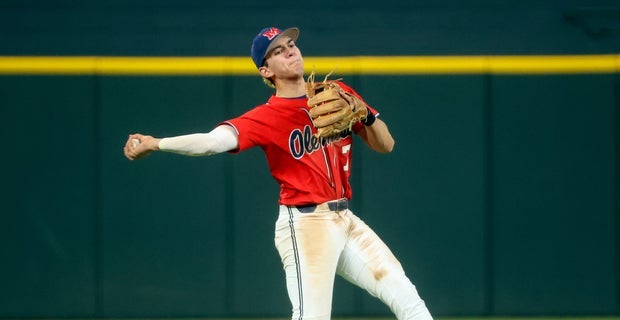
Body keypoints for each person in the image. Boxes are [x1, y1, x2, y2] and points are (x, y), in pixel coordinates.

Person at [124, 26, 433, 320]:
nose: (290, 51)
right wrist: (158, 143)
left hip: (346, 219)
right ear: (266, 71)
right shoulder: (266, 117)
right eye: (278, 51)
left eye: (291, 45)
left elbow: (387, 145)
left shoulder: (335, 94)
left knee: (407, 297)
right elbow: (212, 141)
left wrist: (365, 116)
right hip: (305, 225)